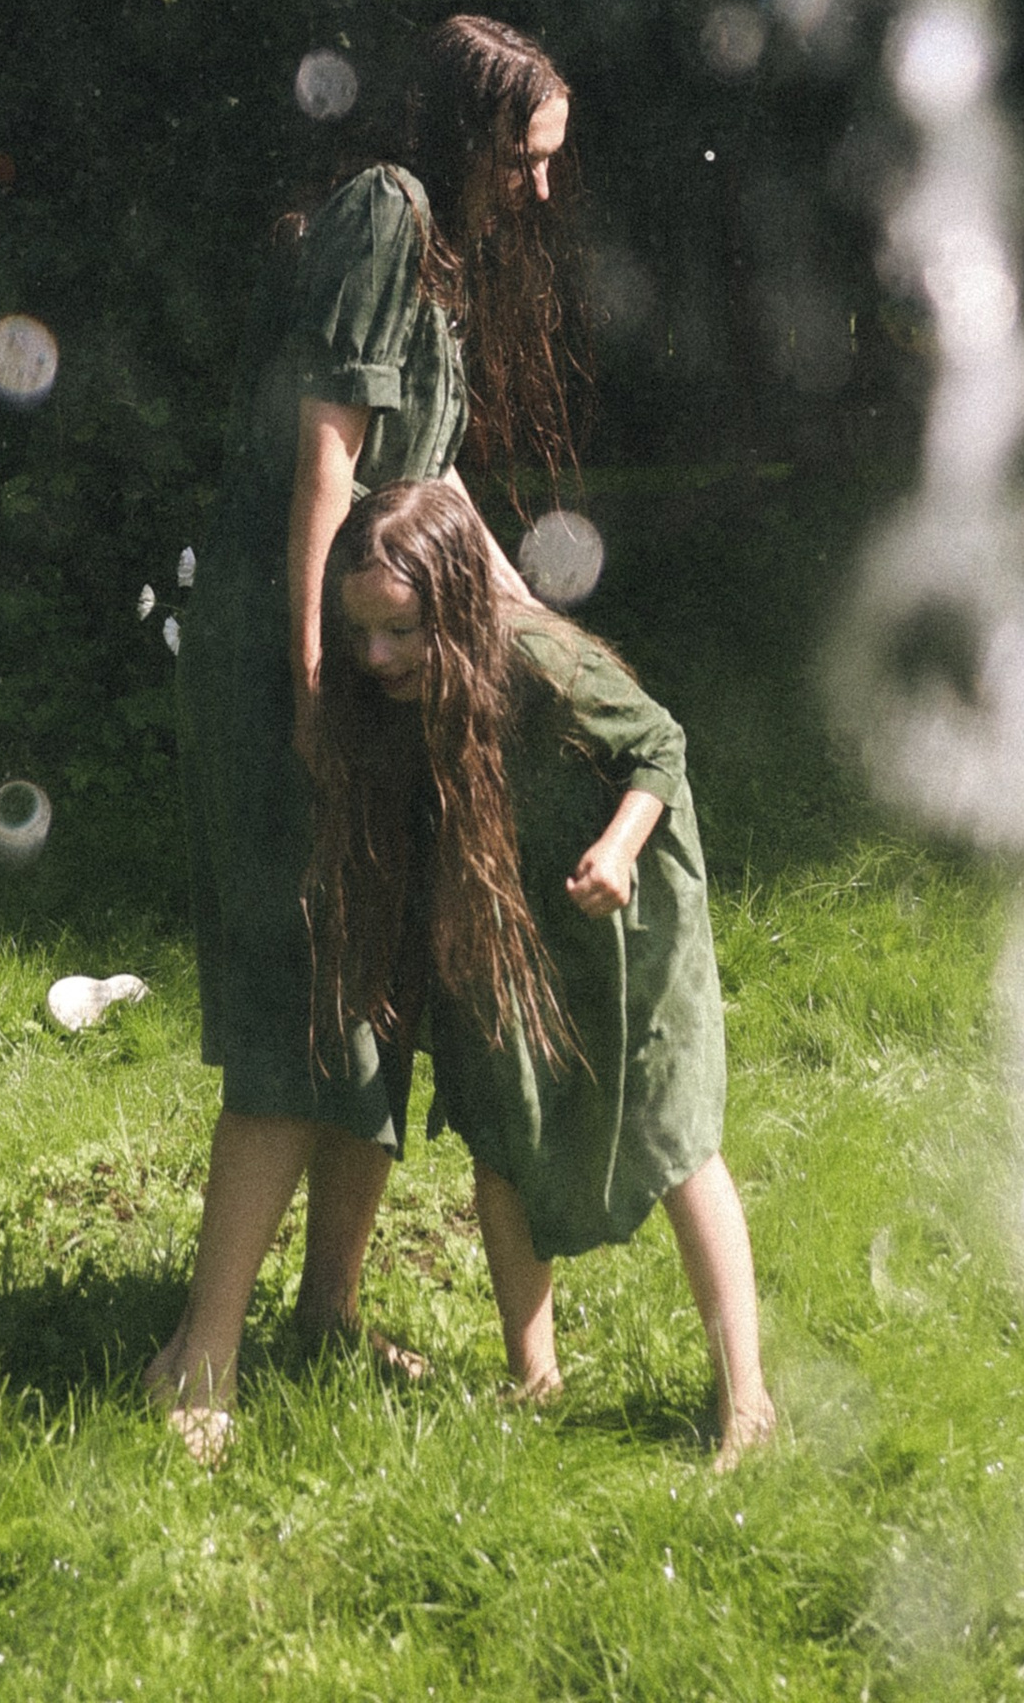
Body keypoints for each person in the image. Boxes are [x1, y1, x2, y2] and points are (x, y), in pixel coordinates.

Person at [143, 14, 580, 1459]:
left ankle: (324, 1318)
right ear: (468, 139)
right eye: (525, 158)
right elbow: (329, 460)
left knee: (375, 981)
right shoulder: (386, 215)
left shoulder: (443, 267)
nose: (539, 189)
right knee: (301, 986)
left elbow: (428, 476)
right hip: (300, 658)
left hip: (380, 663)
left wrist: (553, 643)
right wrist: (318, 673)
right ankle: (196, 1367)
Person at [319, 478, 774, 1467]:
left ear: (456, 601)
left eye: (398, 630)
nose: (376, 656)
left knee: (673, 1137)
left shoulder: (537, 654)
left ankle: (747, 1399)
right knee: (500, 1132)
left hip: (620, 929)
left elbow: (660, 745)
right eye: (360, 633)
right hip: (505, 928)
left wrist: (616, 850)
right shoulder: (388, 687)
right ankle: (535, 1377)